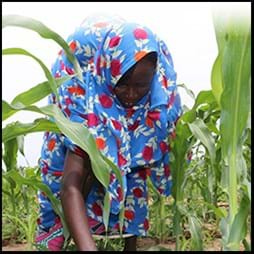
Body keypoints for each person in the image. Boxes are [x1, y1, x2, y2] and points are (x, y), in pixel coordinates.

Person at [35, 14, 182, 251]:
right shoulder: (83, 99)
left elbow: (134, 165)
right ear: (110, 75)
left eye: (141, 86)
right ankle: (61, 229)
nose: (132, 94)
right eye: (123, 84)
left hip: (124, 95)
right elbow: (69, 185)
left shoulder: (159, 98)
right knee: (86, 163)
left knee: (133, 173)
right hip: (82, 84)